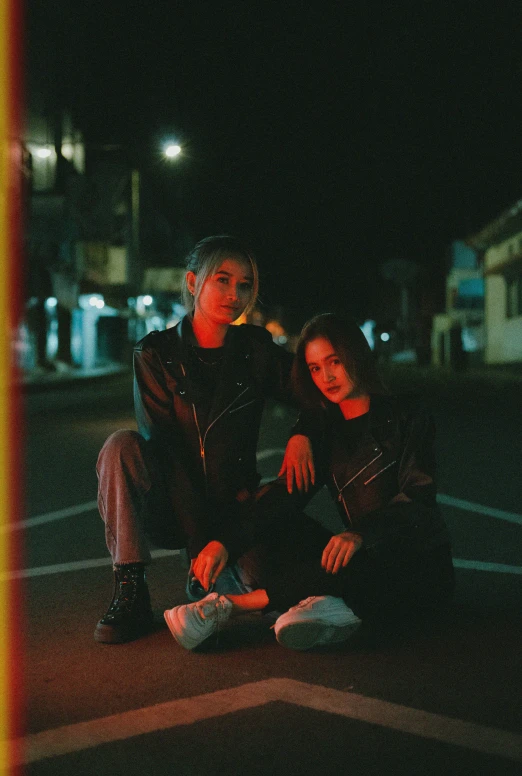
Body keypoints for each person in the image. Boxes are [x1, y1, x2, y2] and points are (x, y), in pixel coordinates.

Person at [164, 312, 454, 651]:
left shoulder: (409, 413)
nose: (327, 376)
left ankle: (226, 607)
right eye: (315, 368)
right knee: (265, 516)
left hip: (414, 566)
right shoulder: (325, 432)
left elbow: (418, 496)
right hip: (355, 558)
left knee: (359, 559)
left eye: (334, 361)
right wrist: (224, 543)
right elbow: (283, 500)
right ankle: (328, 606)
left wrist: (362, 533)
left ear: (356, 355)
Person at [95, 235, 314, 644]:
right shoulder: (154, 353)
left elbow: (317, 390)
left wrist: (302, 431)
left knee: (264, 587)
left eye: (245, 284)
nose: (235, 294)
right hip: (173, 508)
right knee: (120, 447)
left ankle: (221, 581)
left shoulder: (256, 349)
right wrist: (200, 543)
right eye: (223, 280)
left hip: (236, 507)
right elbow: (165, 449)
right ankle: (130, 590)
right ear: (194, 283)